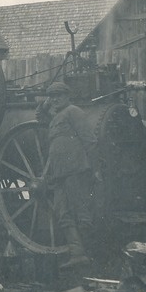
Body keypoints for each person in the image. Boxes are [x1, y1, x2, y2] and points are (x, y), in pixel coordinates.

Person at [36, 81, 99, 269]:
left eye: (58, 95)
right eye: (52, 96)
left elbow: (90, 141)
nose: (55, 99)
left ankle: (93, 254)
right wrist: (46, 104)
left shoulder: (74, 112)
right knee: (62, 212)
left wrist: (94, 169)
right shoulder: (55, 117)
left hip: (76, 170)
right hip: (58, 174)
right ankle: (77, 254)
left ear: (67, 96)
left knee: (81, 212)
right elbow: (39, 116)